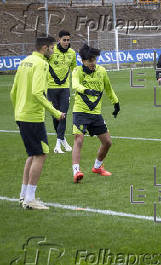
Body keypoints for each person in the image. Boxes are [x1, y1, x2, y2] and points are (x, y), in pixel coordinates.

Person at [10, 36, 66, 209]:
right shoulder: (41, 64)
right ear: (45, 48)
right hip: (32, 117)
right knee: (41, 154)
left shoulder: (25, 61)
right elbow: (37, 93)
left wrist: (18, 109)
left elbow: (13, 91)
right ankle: (30, 199)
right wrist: (56, 112)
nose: (54, 51)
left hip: (21, 114)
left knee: (33, 155)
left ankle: (24, 196)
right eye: (52, 48)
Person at [71, 44, 120, 183]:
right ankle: (76, 171)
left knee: (107, 142)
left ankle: (97, 167)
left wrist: (116, 103)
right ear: (83, 60)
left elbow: (109, 89)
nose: (93, 63)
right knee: (79, 139)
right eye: (90, 60)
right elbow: (74, 84)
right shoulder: (77, 71)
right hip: (80, 111)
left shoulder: (102, 71)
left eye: (94, 60)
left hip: (96, 113)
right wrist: (86, 90)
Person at [47, 30, 77, 153]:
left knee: (63, 115)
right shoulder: (51, 50)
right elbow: (44, 65)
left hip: (65, 88)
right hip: (51, 88)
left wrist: (76, 86)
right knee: (56, 116)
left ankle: (58, 145)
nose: (66, 42)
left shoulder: (72, 53)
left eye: (68, 40)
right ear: (59, 40)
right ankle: (63, 140)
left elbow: (74, 70)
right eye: (64, 40)